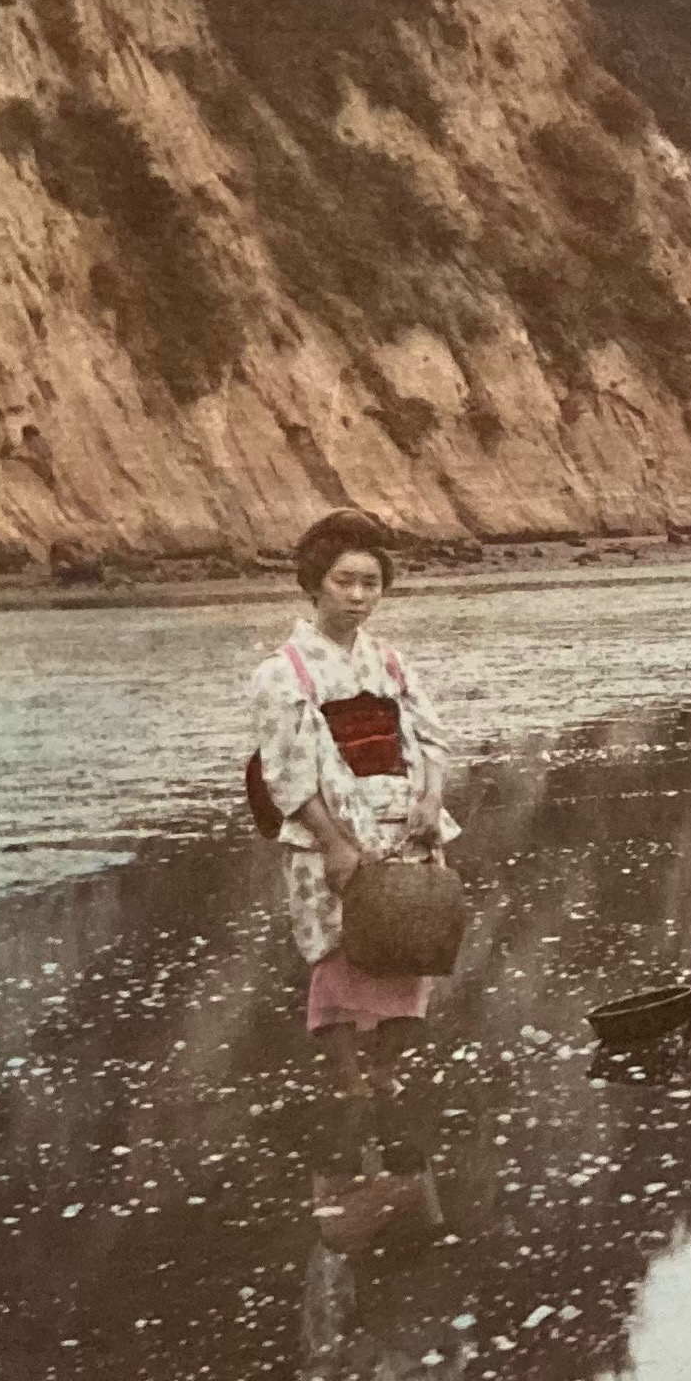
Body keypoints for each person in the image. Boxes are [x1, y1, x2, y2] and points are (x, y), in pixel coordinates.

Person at [251, 512, 455, 1208]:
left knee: (413, 940)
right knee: (338, 953)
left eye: (371, 582)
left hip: (403, 817)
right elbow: (285, 772)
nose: (359, 595)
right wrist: (334, 842)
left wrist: (432, 798)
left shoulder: (390, 661)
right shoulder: (284, 672)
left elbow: (429, 735)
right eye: (345, 581)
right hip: (332, 824)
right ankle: (347, 1077)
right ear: (315, 584)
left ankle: (389, 1069)